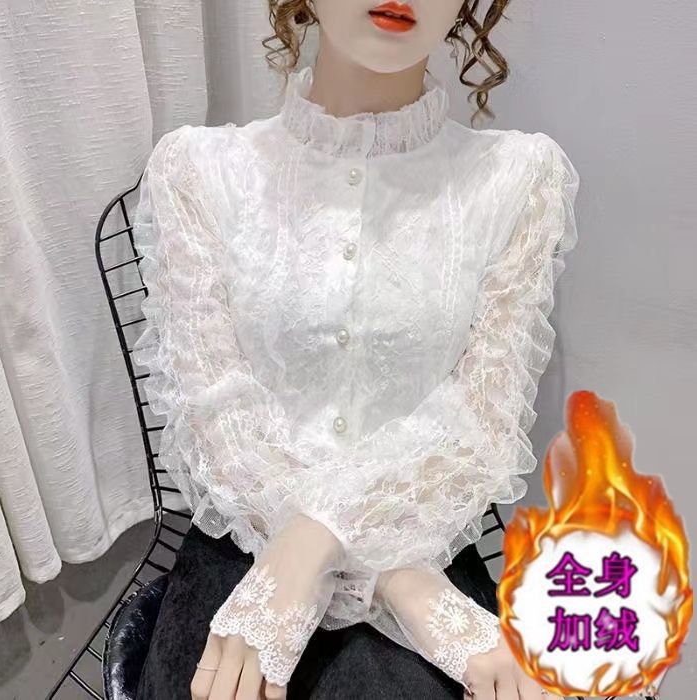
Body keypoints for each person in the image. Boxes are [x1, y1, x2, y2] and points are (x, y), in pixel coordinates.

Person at [131, 1, 579, 698]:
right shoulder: (197, 170)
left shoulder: (518, 179)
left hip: (423, 534)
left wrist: (315, 543)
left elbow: (480, 428)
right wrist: (391, 582)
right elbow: (217, 417)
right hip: (243, 546)